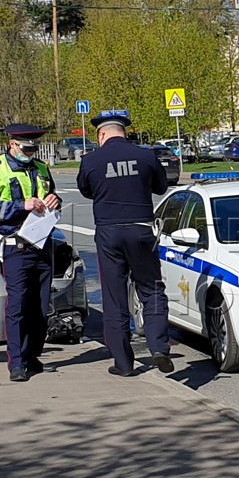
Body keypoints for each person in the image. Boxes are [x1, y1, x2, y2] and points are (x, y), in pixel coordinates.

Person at [76, 109, 173, 377]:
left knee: (114, 297)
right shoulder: (146, 156)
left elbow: (86, 190)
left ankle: (124, 363)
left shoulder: (91, 160)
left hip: (109, 233)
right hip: (142, 230)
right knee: (151, 289)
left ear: (101, 134)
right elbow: (161, 188)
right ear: (125, 132)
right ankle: (159, 346)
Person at [0, 122, 61, 382]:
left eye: (34, 148)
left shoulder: (41, 168)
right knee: (17, 305)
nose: (31, 152)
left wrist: (54, 200)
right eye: (26, 148)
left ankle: (33, 355)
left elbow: (54, 196)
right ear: (12, 145)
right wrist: (21, 205)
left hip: (42, 243)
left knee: (40, 305)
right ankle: (17, 362)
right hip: (14, 244)